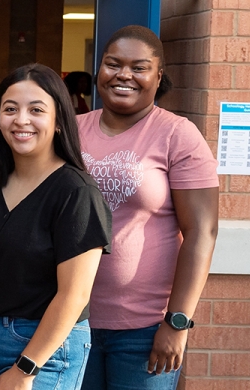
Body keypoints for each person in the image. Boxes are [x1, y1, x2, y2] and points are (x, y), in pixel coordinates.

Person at [79, 26, 219, 389]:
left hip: (143, 330)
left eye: (139, 67)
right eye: (113, 64)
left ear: (158, 77)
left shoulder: (177, 134)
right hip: (71, 321)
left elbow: (202, 232)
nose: (124, 75)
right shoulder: (71, 129)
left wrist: (178, 321)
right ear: (99, 70)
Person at [0, 63, 112, 390]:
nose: (21, 120)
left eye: (36, 109)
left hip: (43, 348)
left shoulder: (75, 192)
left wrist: (27, 367)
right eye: (10, 109)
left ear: (59, 120)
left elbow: (74, 294)